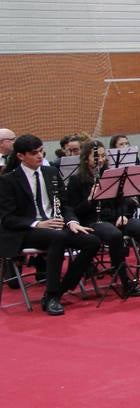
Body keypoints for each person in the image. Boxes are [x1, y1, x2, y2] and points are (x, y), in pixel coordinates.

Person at [0, 135, 101, 315]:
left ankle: (61, 289)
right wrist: (39, 223)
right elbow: (8, 218)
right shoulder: (8, 180)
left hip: (55, 227)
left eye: (41, 151)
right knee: (58, 238)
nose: (40, 155)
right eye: (34, 153)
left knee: (91, 241)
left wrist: (72, 222)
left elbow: (64, 205)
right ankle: (52, 294)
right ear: (21, 156)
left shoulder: (51, 173)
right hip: (26, 231)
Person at [60, 139, 140, 297]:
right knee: (115, 234)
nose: (100, 160)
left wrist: (123, 214)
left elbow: (123, 200)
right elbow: (74, 210)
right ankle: (124, 281)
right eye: (96, 157)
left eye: (103, 156)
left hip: (114, 218)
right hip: (92, 221)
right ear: (86, 158)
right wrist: (90, 199)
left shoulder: (110, 174)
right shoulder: (76, 180)